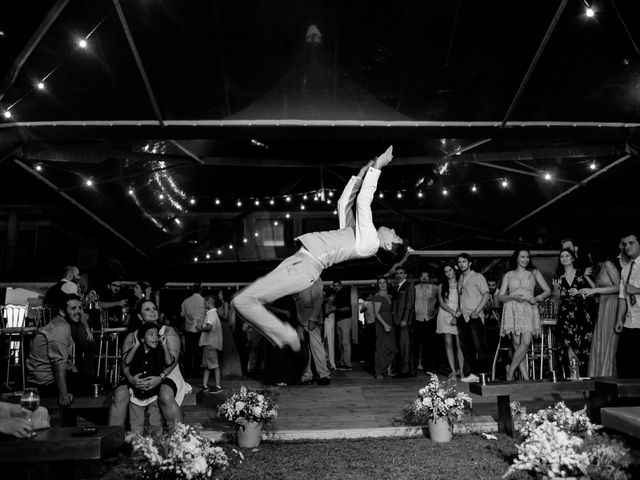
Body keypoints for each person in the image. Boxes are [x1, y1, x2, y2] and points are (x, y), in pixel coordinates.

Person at [231, 146, 408, 355]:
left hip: (305, 269)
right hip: (299, 261)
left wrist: (378, 166)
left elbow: (363, 201)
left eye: (395, 236)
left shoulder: (370, 243)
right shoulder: (357, 235)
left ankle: (286, 335)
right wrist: (362, 172)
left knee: (243, 301)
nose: (394, 230)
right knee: (240, 301)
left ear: (387, 245)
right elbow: (344, 203)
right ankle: (281, 335)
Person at [109, 300, 190, 427]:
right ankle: (113, 440)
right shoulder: (132, 336)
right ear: (140, 316)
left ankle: (179, 437)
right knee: (120, 395)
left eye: (154, 308)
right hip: (137, 373)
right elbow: (124, 364)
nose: (152, 311)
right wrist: (131, 379)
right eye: (147, 309)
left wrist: (160, 377)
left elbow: (172, 362)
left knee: (165, 395)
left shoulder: (168, 332)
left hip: (166, 372)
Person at [26, 294, 101, 405]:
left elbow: (66, 360)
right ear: (62, 311)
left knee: (92, 380)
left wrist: (75, 373)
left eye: (80, 308)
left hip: (46, 380)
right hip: (46, 385)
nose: (79, 311)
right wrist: (63, 393)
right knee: (101, 384)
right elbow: (59, 363)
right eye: (73, 308)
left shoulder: (61, 323)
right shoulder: (60, 328)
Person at [498, 249, 551, 381]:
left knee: (526, 343)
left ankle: (510, 371)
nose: (525, 259)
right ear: (516, 259)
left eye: (527, 257)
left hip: (528, 308)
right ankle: (527, 378)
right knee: (516, 345)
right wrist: (513, 297)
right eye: (522, 257)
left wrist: (537, 298)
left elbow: (548, 290)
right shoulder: (508, 275)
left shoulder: (534, 272)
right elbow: (500, 297)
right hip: (513, 308)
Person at [124, 322, 175, 435]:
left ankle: (156, 447)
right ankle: (138, 448)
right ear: (142, 339)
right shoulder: (136, 351)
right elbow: (126, 361)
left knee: (155, 422)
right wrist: (136, 345)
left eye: (156, 335)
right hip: (136, 393)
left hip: (153, 393)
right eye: (151, 334)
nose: (155, 337)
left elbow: (169, 362)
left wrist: (165, 345)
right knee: (136, 424)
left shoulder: (159, 352)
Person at [553, 248, 596, 377]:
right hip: (565, 314)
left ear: (572, 258)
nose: (564, 258)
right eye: (562, 256)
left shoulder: (581, 274)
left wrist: (579, 292)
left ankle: (584, 376)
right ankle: (569, 376)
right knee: (566, 344)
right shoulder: (558, 276)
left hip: (582, 313)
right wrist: (557, 289)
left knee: (583, 343)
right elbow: (556, 297)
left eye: (567, 256)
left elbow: (593, 293)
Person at [581, 241, 620, 377]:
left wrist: (595, 290)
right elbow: (597, 290)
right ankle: (600, 378)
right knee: (600, 341)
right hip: (602, 306)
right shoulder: (599, 267)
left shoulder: (608, 264)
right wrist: (587, 278)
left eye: (590, 253)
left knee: (608, 342)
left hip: (612, 305)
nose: (589, 256)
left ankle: (609, 376)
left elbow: (619, 287)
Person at [457, 253, 491, 383]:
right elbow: (461, 297)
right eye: (459, 262)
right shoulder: (460, 278)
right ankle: (474, 373)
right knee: (466, 347)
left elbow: (487, 294)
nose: (462, 264)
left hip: (474, 316)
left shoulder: (478, 277)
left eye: (464, 261)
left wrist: (477, 311)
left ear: (469, 263)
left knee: (479, 346)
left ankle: (483, 374)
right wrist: (457, 311)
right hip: (462, 317)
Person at [295, 278, 331, 385]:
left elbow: (318, 300)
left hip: (311, 319)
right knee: (305, 350)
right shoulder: (299, 279)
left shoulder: (315, 278)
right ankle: (307, 375)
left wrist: (313, 318)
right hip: (300, 319)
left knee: (317, 348)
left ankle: (324, 375)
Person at [615, 233, 640, 378]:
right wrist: (619, 319)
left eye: (631, 243)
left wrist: (636, 290)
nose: (627, 247)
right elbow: (622, 296)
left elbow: (631, 290)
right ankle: (626, 400)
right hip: (630, 322)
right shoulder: (626, 268)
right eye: (625, 244)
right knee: (624, 359)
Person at [436, 262, 464, 379]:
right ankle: (453, 371)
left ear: (455, 270)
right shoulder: (441, 285)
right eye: (446, 271)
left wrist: (456, 314)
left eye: (450, 270)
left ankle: (461, 371)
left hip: (458, 313)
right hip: (445, 313)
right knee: (448, 344)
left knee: (459, 344)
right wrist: (452, 312)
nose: (448, 273)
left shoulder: (460, 283)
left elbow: (462, 300)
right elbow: (441, 303)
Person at [413, 271, 438, 373]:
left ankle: (429, 365)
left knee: (430, 342)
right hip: (418, 318)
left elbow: (442, 300)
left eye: (426, 276)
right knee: (417, 342)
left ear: (429, 277)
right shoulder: (415, 288)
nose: (424, 277)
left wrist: (436, 311)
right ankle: (416, 364)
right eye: (422, 276)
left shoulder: (434, 288)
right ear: (419, 277)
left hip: (430, 318)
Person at [198, 293, 224, 393]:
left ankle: (218, 386)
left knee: (214, 365)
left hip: (210, 344)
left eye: (204, 301)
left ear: (209, 302)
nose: (203, 303)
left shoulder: (212, 314)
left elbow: (209, 327)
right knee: (208, 365)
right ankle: (205, 384)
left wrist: (200, 328)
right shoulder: (211, 313)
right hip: (208, 343)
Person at [392, 267, 415, 377]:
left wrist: (405, 319)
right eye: (397, 273)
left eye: (401, 273)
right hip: (397, 321)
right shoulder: (397, 287)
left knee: (405, 347)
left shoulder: (408, 286)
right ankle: (402, 369)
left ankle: (407, 371)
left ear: (405, 275)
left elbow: (409, 304)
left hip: (404, 321)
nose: (398, 275)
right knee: (400, 347)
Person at [181, 283, 205, 379]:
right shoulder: (204, 301)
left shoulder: (185, 301)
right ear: (201, 290)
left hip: (188, 329)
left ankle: (187, 373)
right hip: (200, 330)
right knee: (198, 352)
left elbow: (182, 315)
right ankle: (196, 373)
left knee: (188, 352)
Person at [373, 277, 396, 379]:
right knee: (381, 347)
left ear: (387, 284)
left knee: (391, 346)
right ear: (378, 285)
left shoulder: (390, 296)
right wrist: (385, 325)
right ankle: (378, 372)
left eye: (384, 283)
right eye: (380, 283)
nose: (382, 285)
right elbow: (376, 313)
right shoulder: (377, 296)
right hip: (382, 324)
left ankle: (388, 371)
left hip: (390, 321)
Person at [332, 280, 353, 371]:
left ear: (341, 286)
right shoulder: (336, 296)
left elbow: (347, 308)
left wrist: (336, 309)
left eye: (337, 285)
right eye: (334, 286)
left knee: (345, 342)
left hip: (345, 320)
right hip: (338, 321)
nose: (336, 287)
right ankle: (342, 361)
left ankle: (348, 363)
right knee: (340, 343)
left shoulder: (344, 294)